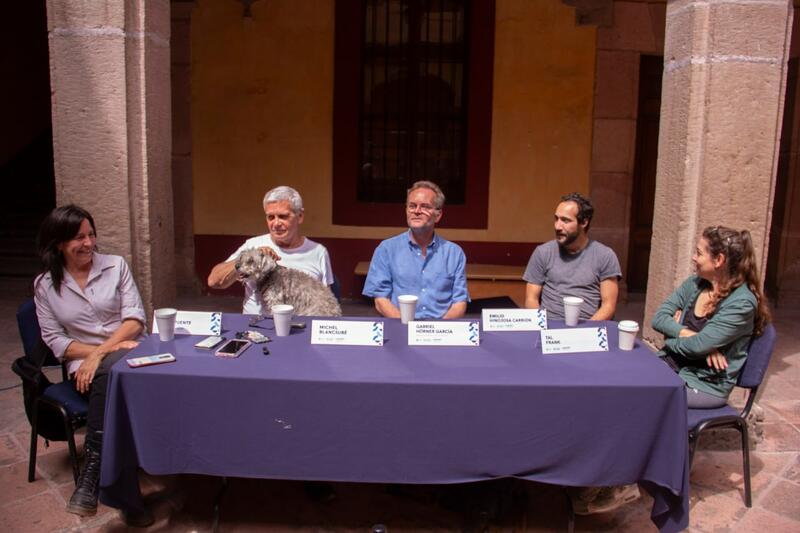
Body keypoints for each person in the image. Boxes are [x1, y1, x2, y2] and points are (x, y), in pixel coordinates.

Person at [33, 205, 152, 526]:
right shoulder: (45, 285)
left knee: (110, 372)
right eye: (77, 238)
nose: (88, 243)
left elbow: (134, 320)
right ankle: (123, 496)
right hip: (86, 369)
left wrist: (98, 354)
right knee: (112, 383)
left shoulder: (116, 266)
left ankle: (94, 473)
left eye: (91, 235)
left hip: (129, 356)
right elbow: (55, 341)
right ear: (58, 243)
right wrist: (99, 354)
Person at [652, 225, 771, 408]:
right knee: (623, 379)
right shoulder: (695, 283)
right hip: (670, 365)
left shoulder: (741, 303)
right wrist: (693, 336)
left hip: (703, 385)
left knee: (642, 396)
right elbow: (659, 318)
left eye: (699, 253)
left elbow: (698, 346)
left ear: (719, 260)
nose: (693, 257)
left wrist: (671, 336)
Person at [207, 185, 334, 314]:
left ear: (300, 216)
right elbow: (214, 282)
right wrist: (246, 260)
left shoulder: (318, 252)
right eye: (270, 217)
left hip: (302, 326)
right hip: (254, 327)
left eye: (283, 216)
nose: (276, 223)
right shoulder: (253, 245)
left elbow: (326, 302)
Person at [363, 180, 469, 319]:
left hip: (441, 333)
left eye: (425, 206)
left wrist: (439, 332)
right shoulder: (386, 249)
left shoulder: (454, 253)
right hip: (400, 328)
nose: (417, 211)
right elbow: (381, 300)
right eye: (412, 206)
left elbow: (459, 302)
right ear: (406, 210)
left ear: (438, 215)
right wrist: (408, 329)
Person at [523, 192, 621, 320]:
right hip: (548, 329)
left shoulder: (605, 256)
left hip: (586, 328)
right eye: (556, 218)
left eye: (565, 220)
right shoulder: (543, 252)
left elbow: (608, 306)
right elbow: (531, 299)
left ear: (584, 222)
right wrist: (542, 327)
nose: (557, 226)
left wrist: (583, 333)